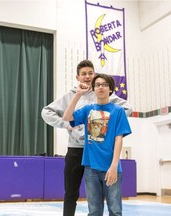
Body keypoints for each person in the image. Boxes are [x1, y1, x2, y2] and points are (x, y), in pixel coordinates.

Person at [41, 60, 132, 216]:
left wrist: (106, 124)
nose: (87, 76)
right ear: (78, 77)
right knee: (71, 192)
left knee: (107, 199)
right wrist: (67, 126)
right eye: (83, 74)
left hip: (98, 151)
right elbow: (47, 112)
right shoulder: (71, 95)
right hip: (76, 150)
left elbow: (126, 109)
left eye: (90, 73)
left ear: (94, 75)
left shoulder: (102, 92)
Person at [62, 73, 132, 215]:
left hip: (111, 168)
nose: (101, 87)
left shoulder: (118, 111)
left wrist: (114, 166)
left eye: (105, 85)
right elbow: (67, 117)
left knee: (115, 210)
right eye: (98, 84)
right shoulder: (88, 109)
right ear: (93, 89)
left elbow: (119, 139)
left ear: (110, 89)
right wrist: (78, 94)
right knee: (94, 211)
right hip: (91, 168)